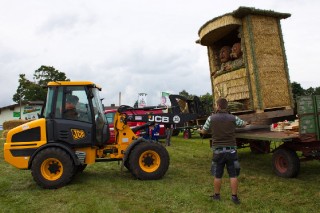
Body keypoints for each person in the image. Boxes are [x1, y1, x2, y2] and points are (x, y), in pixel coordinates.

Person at [199, 98, 248, 204]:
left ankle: (217, 196)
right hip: (231, 151)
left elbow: (204, 131)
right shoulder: (233, 118)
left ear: (218, 106)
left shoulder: (211, 118)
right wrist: (246, 122)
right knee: (233, 175)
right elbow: (243, 124)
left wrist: (200, 130)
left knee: (218, 175)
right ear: (226, 106)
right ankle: (234, 197)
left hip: (218, 152)